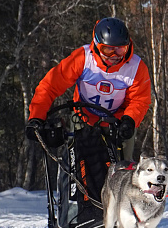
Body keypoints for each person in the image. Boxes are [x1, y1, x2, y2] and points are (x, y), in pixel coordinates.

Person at [25, 17, 151, 161]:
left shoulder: (136, 67)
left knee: (123, 167)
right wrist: (36, 117)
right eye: (108, 49)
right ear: (97, 45)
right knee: (77, 164)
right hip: (83, 117)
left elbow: (140, 100)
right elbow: (50, 86)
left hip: (117, 123)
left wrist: (129, 120)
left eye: (121, 50)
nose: (114, 56)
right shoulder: (82, 58)